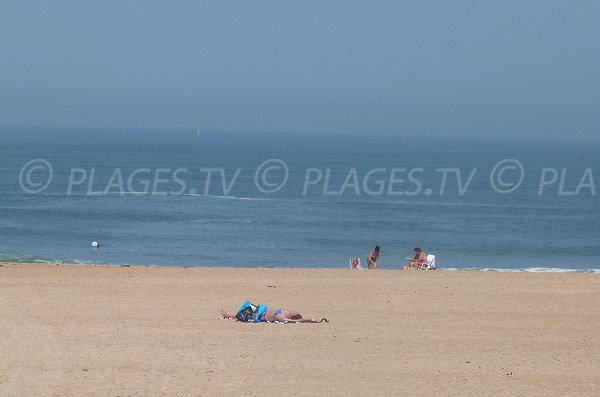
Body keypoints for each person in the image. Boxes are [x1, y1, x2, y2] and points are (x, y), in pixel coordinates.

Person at [220, 306, 328, 323]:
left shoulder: (281, 315)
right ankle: (227, 314)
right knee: (240, 313)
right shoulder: (285, 312)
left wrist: (313, 320)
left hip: (259, 315)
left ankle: (226, 314)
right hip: (260, 310)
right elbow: (298, 319)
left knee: (238, 315)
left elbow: (298, 320)